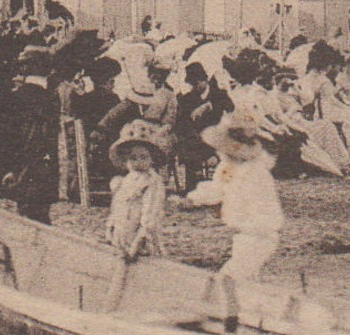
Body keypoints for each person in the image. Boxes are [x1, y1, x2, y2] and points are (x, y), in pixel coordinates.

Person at [186, 113, 284, 281]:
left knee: (231, 277)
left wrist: (247, 221)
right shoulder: (228, 167)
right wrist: (193, 198)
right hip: (242, 233)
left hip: (260, 234)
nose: (220, 152)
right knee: (247, 279)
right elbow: (217, 188)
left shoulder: (255, 172)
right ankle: (249, 304)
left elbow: (263, 208)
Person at [0, 45, 63, 223]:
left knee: (28, 218)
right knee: (40, 217)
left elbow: (2, 137)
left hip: (20, 168)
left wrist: (6, 168)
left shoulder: (14, 98)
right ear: (49, 69)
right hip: (45, 171)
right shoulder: (51, 98)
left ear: (24, 68)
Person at [106, 119, 170, 260]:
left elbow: (150, 214)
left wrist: (138, 241)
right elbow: (117, 207)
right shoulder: (125, 181)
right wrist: (111, 228)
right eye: (133, 158)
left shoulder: (152, 181)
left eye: (143, 157)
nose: (138, 162)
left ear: (152, 159)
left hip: (140, 238)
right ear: (125, 160)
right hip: (124, 233)